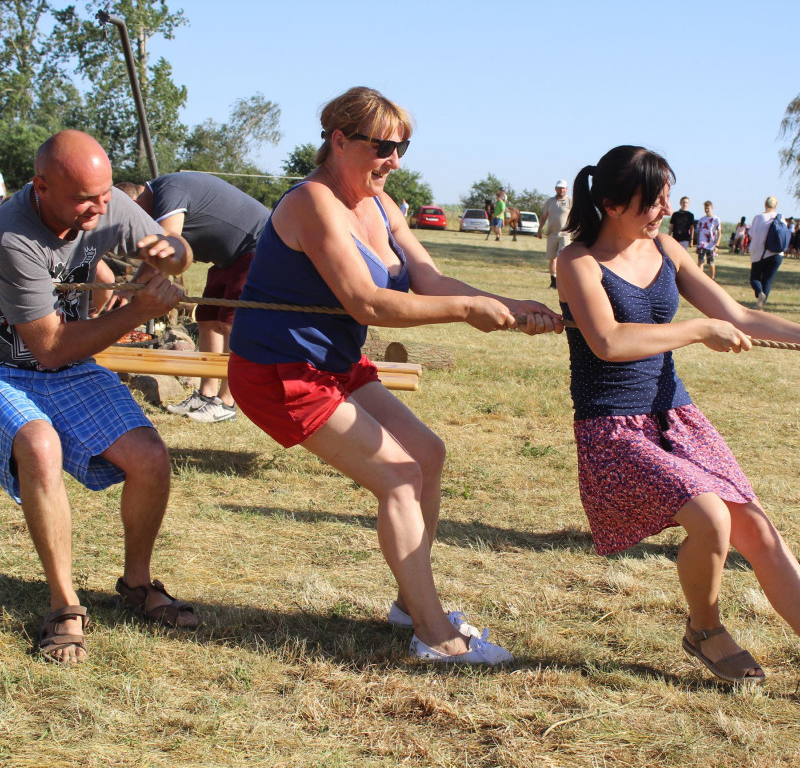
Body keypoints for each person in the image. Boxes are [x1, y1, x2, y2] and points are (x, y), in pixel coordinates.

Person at [555, 145, 800, 721]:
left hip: (678, 417)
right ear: (613, 203)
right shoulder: (576, 262)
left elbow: (739, 315)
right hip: (613, 428)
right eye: (654, 199)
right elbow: (608, 342)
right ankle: (706, 628)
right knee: (710, 516)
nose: (666, 209)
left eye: (669, 194)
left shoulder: (666, 248)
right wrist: (695, 331)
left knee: (759, 531)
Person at [227, 87, 562, 665]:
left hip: (335, 365)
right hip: (280, 372)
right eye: (383, 146)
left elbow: (430, 280)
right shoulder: (311, 202)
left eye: (403, 147)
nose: (395, 161)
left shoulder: (385, 207)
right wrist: (467, 312)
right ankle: (435, 635)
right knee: (400, 477)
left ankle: (411, 603)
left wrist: (513, 306)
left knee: (427, 454)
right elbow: (368, 304)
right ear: (338, 140)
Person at [0, 130, 199, 665]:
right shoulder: (9, 237)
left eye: (106, 195)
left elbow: (178, 252)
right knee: (39, 445)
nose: (101, 208)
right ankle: (65, 605)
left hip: (65, 366)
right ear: (40, 186)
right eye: (85, 199)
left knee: (151, 458)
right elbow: (52, 350)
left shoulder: (107, 202)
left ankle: (135, 584)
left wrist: (170, 253)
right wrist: (136, 311)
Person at [117, 172, 271, 423]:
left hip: (257, 246)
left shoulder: (167, 191)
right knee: (208, 318)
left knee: (233, 323)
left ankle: (228, 402)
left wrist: (133, 289)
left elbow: (164, 251)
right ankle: (207, 395)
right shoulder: (159, 198)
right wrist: (131, 289)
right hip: (227, 258)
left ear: (133, 204)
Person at [747, 196, 786, 310]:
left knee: (755, 278)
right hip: (777, 253)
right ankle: (762, 304)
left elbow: (752, 234)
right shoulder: (781, 218)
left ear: (765, 204)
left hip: (760, 253)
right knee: (768, 279)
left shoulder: (759, 218)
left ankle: (760, 294)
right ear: (776, 205)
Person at [537, 179, 572, 289]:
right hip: (552, 233)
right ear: (555, 189)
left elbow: (576, 216)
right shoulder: (550, 201)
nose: (561, 190)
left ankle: (564, 282)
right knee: (552, 258)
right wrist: (539, 229)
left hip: (565, 234)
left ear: (566, 189)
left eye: (563, 188)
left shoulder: (570, 201)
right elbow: (544, 216)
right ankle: (553, 281)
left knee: (562, 258)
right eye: (559, 187)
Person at [695, 200, 720, 281]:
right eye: (705, 208)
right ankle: (700, 278)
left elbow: (719, 233)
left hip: (711, 245)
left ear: (712, 208)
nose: (706, 209)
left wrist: (717, 245)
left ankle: (712, 278)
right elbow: (698, 232)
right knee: (700, 261)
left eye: (708, 208)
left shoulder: (716, 219)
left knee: (711, 262)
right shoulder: (701, 220)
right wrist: (697, 244)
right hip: (702, 244)